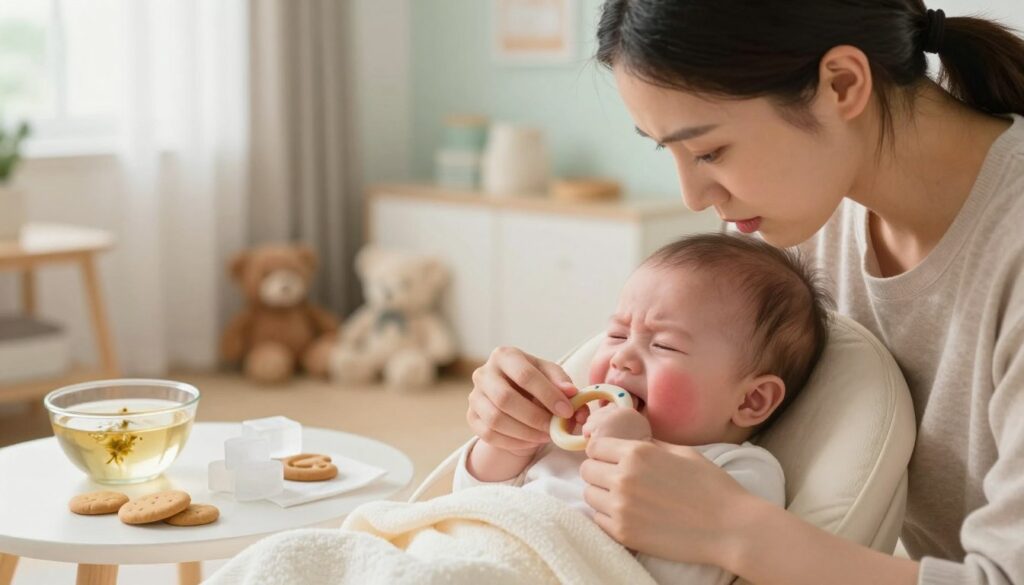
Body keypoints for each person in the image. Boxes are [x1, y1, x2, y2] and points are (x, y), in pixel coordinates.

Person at [466, 1, 1024, 584]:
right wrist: (511, 414)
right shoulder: (797, 221)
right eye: (668, 150)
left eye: (710, 151)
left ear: (841, 84)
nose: (693, 196)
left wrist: (731, 528)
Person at [461, 233, 832, 583]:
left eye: (665, 346)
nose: (622, 357)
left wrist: (630, 453)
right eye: (618, 335)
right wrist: (511, 442)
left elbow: (679, 576)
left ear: (751, 400)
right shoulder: (572, 428)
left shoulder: (736, 470)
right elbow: (468, 501)